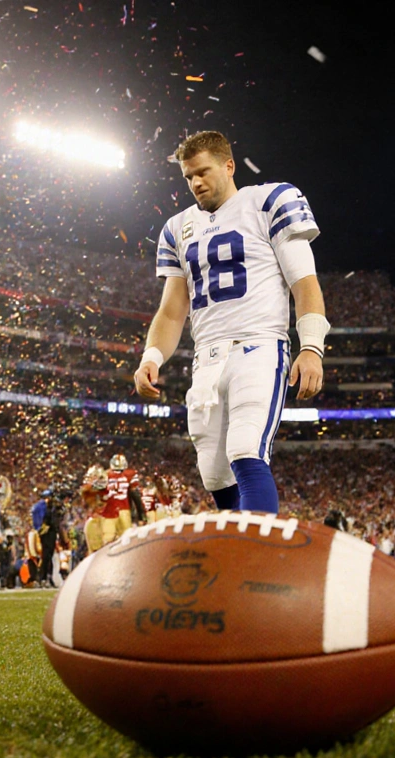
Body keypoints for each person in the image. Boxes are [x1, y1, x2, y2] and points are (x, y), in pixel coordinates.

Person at [134, 130, 328, 514]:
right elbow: (172, 311)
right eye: (188, 177)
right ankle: (246, 555)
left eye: (203, 172)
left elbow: (304, 283)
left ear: (229, 165)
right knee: (213, 473)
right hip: (206, 358)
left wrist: (311, 348)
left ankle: (256, 561)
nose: (196, 183)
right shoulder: (177, 229)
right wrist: (150, 357)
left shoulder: (268, 201)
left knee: (245, 449)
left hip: (258, 345)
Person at [105, 453, 146, 533]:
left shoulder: (105, 475)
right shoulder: (129, 474)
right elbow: (136, 496)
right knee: (126, 537)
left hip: (109, 512)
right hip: (124, 509)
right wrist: (141, 515)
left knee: (109, 539)